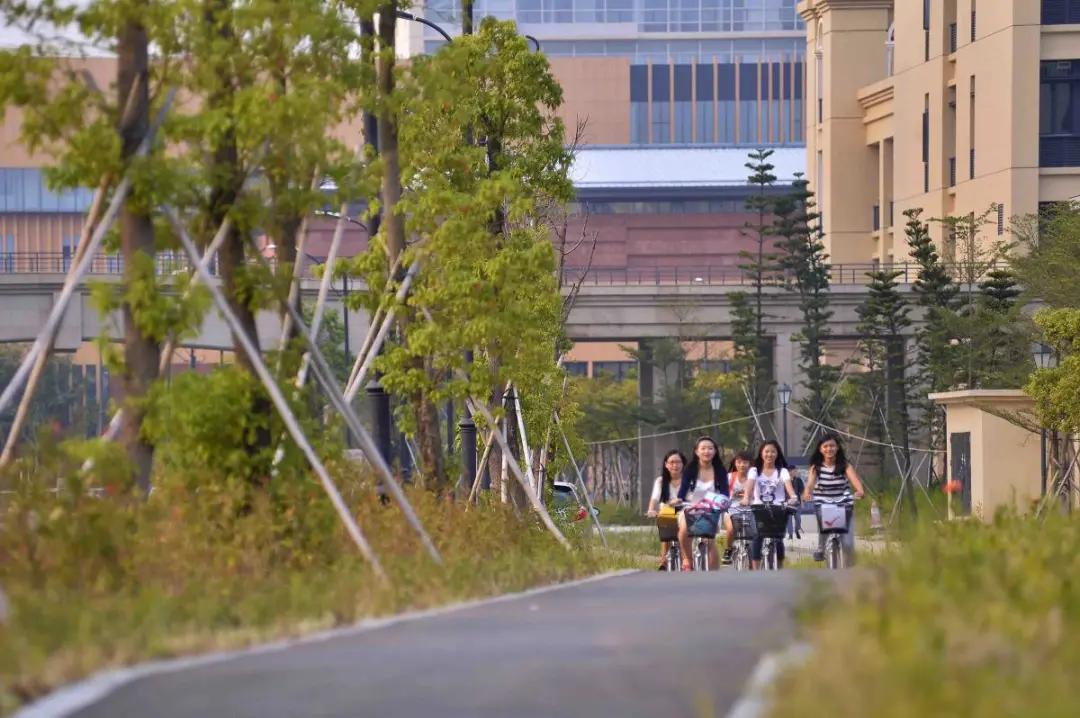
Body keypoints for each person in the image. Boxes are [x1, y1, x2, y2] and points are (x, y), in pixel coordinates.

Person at [802, 433, 866, 564]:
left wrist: (860, 491)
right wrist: (807, 493)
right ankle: (821, 547)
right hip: (823, 502)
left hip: (843, 501)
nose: (829, 449)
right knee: (824, 526)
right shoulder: (816, 467)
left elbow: (854, 480)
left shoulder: (845, 465)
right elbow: (809, 484)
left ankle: (849, 570)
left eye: (832, 446)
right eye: (825, 446)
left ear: (837, 448)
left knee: (847, 542)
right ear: (820, 449)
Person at [676, 436, 729, 570]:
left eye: (710, 448)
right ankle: (687, 559)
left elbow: (725, 492)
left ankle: (713, 575)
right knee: (683, 530)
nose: (707, 451)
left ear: (715, 451)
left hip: (712, 509)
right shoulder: (690, 469)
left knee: (710, 541)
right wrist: (678, 500)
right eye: (703, 448)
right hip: (691, 506)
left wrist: (723, 503)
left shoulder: (720, 470)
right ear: (696, 451)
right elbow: (682, 491)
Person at [749, 440, 796, 569]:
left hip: (778, 508)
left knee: (778, 537)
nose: (770, 454)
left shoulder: (783, 471)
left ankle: (779, 566)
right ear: (761, 453)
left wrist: (793, 497)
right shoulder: (754, 471)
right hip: (759, 508)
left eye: (773, 451)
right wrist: (747, 498)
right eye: (767, 451)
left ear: (777, 454)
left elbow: (789, 488)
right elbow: (749, 487)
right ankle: (755, 568)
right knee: (757, 536)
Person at [646, 449, 686, 569]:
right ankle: (663, 560)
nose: (675, 465)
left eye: (678, 462)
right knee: (666, 526)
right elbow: (654, 498)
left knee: (685, 533)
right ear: (666, 464)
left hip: (685, 511)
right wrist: (651, 510)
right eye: (672, 462)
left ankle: (687, 559)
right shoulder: (661, 481)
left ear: (683, 464)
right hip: (667, 511)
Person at [721, 450, 754, 565]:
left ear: (750, 464)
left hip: (750, 510)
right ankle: (729, 550)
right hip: (731, 509)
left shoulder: (754, 478)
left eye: (745, 462)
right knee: (731, 529)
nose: (742, 465)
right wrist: (733, 495)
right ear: (735, 463)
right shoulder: (729, 477)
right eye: (739, 462)